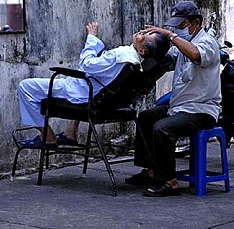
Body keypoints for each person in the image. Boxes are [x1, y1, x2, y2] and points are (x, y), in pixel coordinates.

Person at [17, 21, 170, 148]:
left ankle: (46, 136)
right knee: (89, 80)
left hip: (82, 94)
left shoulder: (122, 55)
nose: (141, 33)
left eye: (146, 36)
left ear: (142, 50)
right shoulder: (137, 63)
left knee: (26, 87)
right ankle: (71, 132)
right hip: (102, 97)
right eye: (145, 31)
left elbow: (86, 64)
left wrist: (91, 38)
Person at [125, 1, 222, 197]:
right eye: (176, 27)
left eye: (181, 26)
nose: (178, 30)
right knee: (146, 117)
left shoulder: (207, 43)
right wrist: (144, 45)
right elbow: (162, 60)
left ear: (195, 22)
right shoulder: (180, 46)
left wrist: (171, 35)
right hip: (179, 106)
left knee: (162, 128)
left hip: (201, 110)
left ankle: (170, 181)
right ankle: (152, 171)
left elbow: (195, 55)